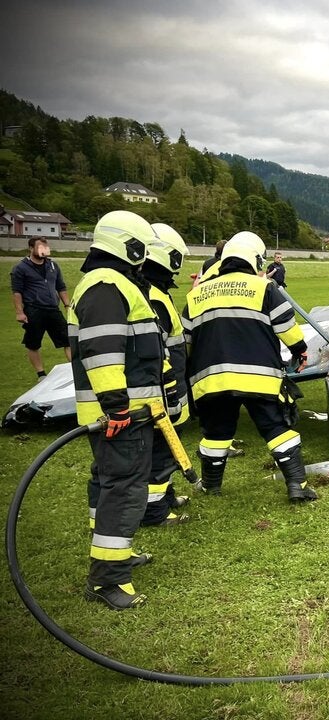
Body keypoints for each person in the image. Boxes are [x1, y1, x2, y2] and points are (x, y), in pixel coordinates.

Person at [68, 210, 165, 610]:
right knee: (123, 488)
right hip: (122, 415)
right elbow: (103, 351)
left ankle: (111, 556)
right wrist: (118, 408)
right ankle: (107, 578)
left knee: (110, 483)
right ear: (130, 246)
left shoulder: (105, 284)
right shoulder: (108, 286)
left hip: (123, 412)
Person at [183, 231, 317, 503]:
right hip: (259, 378)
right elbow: (287, 328)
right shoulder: (263, 288)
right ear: (256, 260)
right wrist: (300, 351)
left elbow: (185, 341)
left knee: (216, 434)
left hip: (211, 380)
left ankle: (211, 487)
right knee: (277, 428)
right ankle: (297, 485)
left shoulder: (196, 296)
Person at [140, 223, 192, 527]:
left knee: (169, 445)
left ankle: (166, 494)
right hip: (163, 387)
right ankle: (154, 511)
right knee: (161, 448)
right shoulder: (155, 297)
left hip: (168, 383)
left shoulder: (155, 292)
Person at [11, 236, 72, 379]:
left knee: (68, 340)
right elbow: (17, 292)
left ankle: (74, 369)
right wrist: (19, 312)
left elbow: (61, 287)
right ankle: (41, 374)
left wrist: (67, 305)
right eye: (40, 247)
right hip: (34, 310)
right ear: (31, 248)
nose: (44, 250)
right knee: (33, 344)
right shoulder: (20, 268)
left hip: (53, 309)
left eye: (46, 247)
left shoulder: (53, 266)